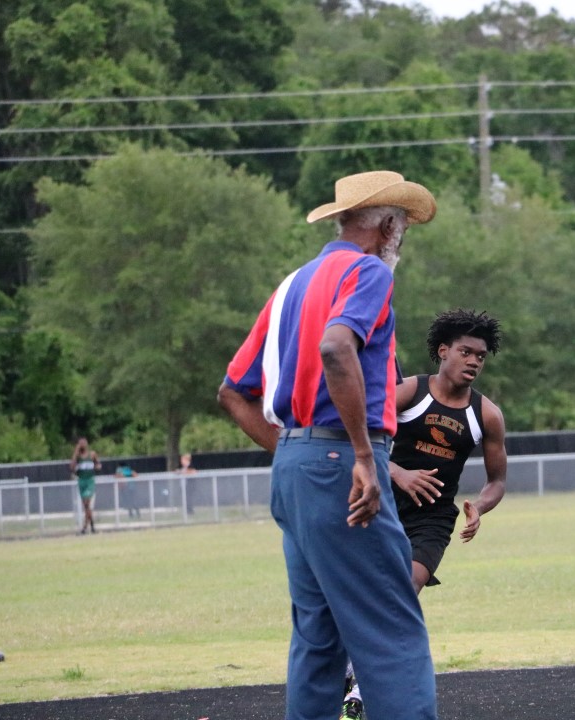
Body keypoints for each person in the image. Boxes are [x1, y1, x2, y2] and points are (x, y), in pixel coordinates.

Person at [217, 170, 439, 720]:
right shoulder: (368, 271)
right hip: (344, 462)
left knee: (318, 639)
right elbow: (337, 347)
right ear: (386, 227)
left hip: (296, 467)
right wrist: (362, 456)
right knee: (391, 627)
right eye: (403, 228)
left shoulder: (293, 282)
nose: (401, 239)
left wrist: (298, 454)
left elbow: (233, 391)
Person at [340, 308, 507, 719]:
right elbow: (358, 436)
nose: (474, 361)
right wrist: (399, 473)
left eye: (481, 356)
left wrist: (478, 506)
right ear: (443, 350)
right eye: (466, 352)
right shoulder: (409, 392)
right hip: (382, 504)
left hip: (433, 520)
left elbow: (497, 481)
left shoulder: (486, 414)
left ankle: (359, 690)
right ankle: (347, 665)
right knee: (363, 594)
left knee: (403, 590)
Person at [70, 437, 101, 534]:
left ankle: (84, 528)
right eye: (80, 443)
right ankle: (92, 527)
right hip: (81, 481)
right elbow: (72, 467)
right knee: (86, 506)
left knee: (87, 503)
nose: (82, 445)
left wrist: (97, 467)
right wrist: (75, 452)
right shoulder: (78, 456)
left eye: (84, 443)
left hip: (90, 481)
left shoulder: (92, 454)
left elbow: (98, 464)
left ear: (86, 444)